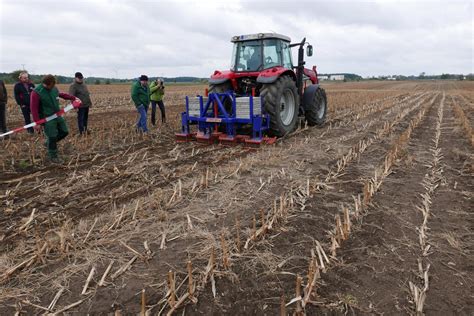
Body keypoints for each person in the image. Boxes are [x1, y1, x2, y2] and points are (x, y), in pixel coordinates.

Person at [30, 74, 80, 163]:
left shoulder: (53, 88)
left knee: (64, 131)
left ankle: (49, 144)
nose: (54, 86)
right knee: (52, 136)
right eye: (52, 85)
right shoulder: (36, 92)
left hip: (57, 115)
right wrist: (37, 122)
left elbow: (60, 94)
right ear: (48, 84)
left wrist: (73, 98)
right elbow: (33, 108)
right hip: (47, 118)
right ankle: (53, 156)